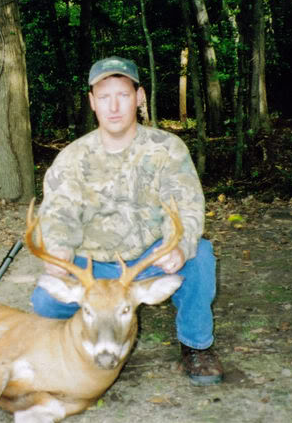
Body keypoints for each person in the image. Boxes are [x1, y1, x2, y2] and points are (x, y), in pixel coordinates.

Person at [31, 56, 223, 386]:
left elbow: (186, 206)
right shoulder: (72, 158)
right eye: (104, 97)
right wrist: (60, 252)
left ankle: (196, 345)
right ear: (92, 102)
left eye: (122, 94)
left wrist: (177, 246)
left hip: (149, 261)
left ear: (139, 97)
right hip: (94, 268)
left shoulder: (167, 148)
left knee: (200, 257)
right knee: (44, 303)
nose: (114, 106)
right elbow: (58, 213)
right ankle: (85, 337)